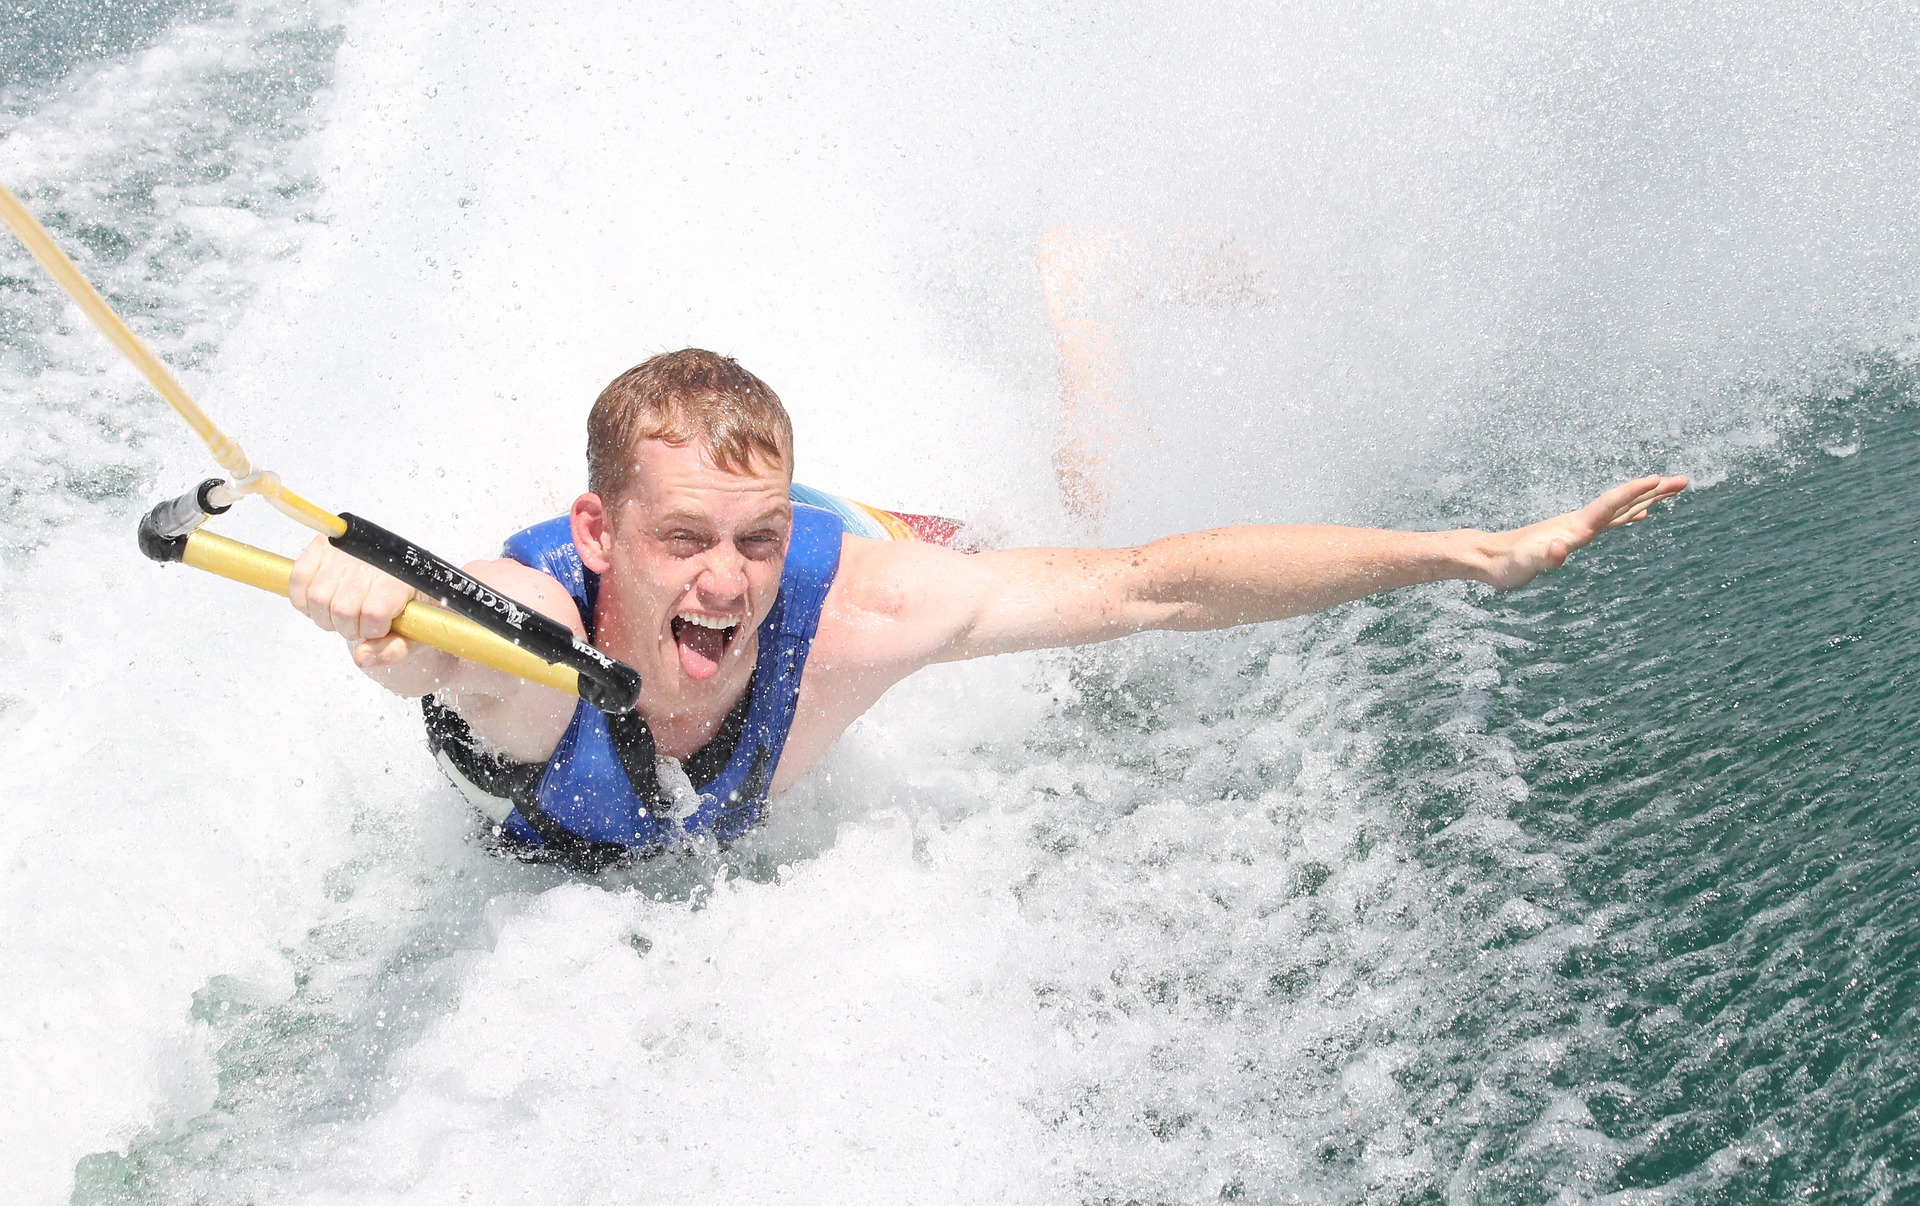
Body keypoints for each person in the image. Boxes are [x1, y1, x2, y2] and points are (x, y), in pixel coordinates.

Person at [287, 349, 1686, 867]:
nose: (725, 584)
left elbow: (1160, 588)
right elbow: (443, 641)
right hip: (548, 702)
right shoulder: (548, 639)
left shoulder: (845, 613)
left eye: (755, 540)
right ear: (605, 534)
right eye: (685, 541)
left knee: (1057, 545)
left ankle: (1086, 332)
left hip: (875, 541)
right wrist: (379, 608)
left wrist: (1472, 553)